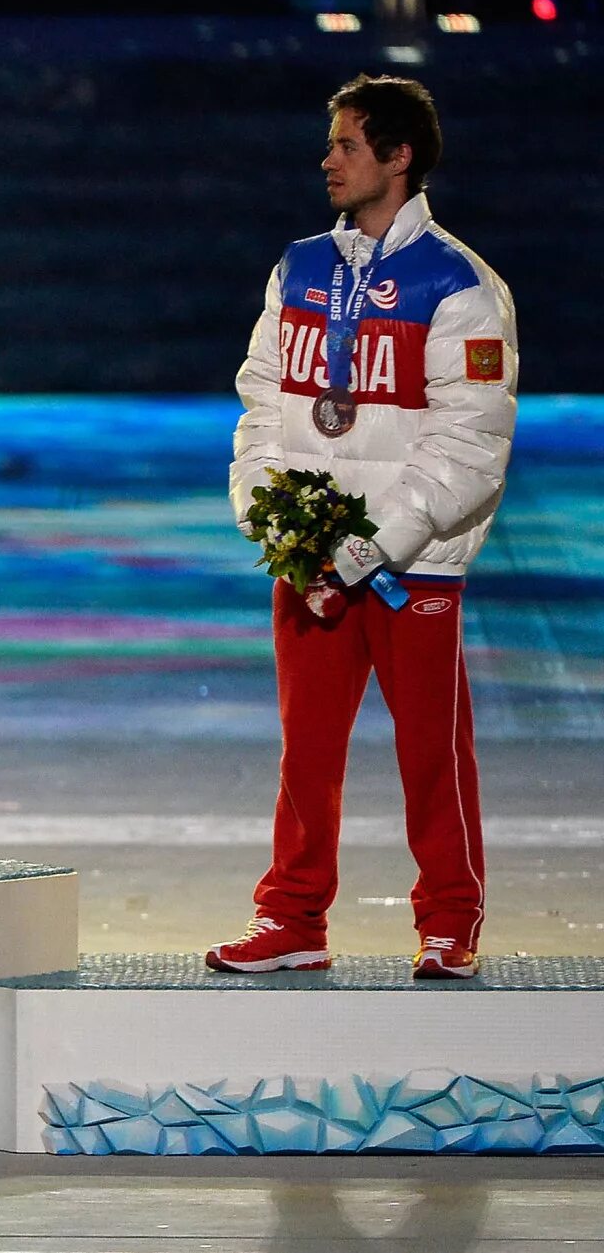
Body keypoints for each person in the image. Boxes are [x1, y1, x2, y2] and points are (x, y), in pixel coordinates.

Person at [210, 75, 517, 980]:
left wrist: (371, 547)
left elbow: (472, 444)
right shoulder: (299, 266)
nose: (328, 160)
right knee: (305, 751)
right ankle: (293, 919)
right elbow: (262, 398)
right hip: (309, 563)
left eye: (346, 144)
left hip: (406, 567)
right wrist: (270, 515)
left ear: (398, 157)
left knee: (432, 752)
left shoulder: (460, 285)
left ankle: (450, 919)